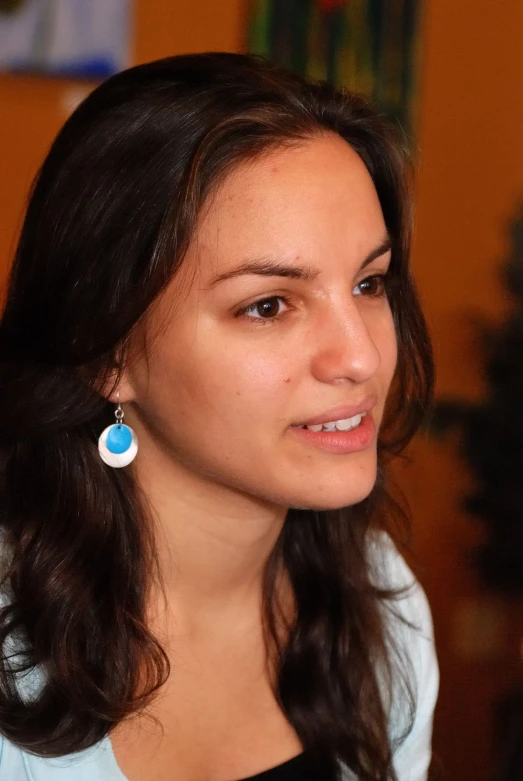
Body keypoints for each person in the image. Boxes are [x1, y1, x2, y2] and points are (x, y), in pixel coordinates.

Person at [0, 53, 438, 781]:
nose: (359, 356)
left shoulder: (381, 608)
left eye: (368, 282)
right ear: (105, 352)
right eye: (267, 305)